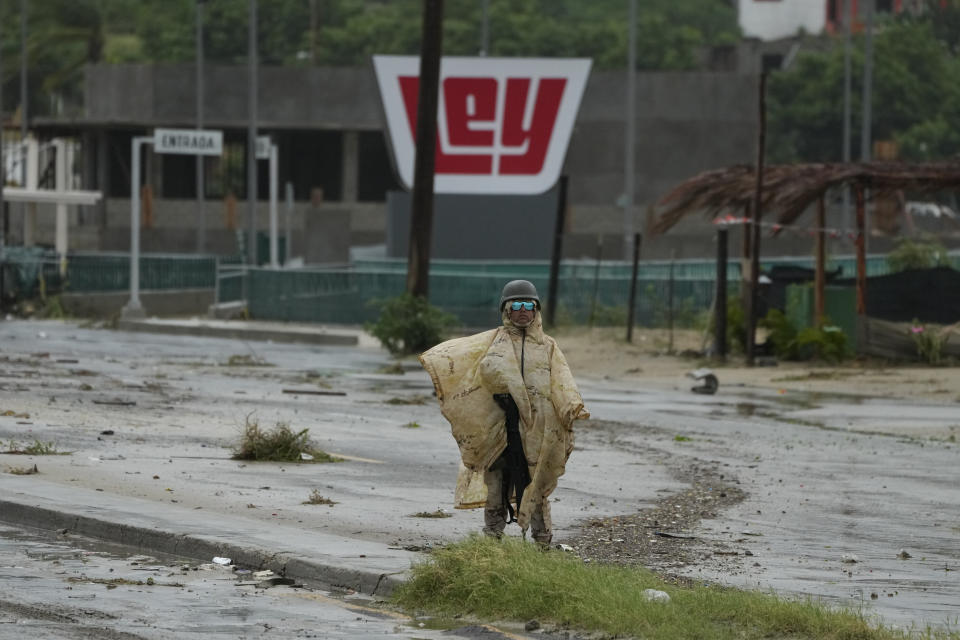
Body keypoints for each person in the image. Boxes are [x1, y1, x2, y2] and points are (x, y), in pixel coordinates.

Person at [419, 280, 589, 545]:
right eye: (517, 305)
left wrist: (571, 408)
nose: (523, 311)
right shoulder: (492, 343)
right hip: (500, 431)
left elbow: (562, 381)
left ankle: (543, 543)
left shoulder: (548, 346)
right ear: (507, 310)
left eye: (528, 305)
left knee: (536, 488)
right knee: (496, 487)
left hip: (536, 432)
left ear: (536, 310)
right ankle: (491, 543)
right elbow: (479, 374)